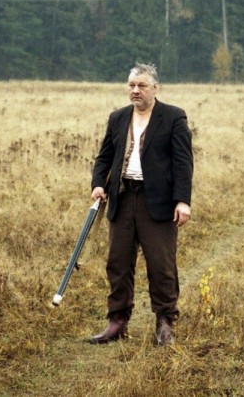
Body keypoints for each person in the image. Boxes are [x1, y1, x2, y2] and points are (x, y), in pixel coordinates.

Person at [89, 63, 193, 346]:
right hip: (122, 198)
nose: (136, 90)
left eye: (142, 86)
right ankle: (117, 322)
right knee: (118, 263)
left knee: (161, 264)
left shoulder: (173, 117)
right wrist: (98, 184)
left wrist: (182, 201)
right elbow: (104, 157)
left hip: (157, 202)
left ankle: (165, 322)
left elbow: (183, 163)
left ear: (155, 88)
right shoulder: (118, 117)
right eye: (132, 85)